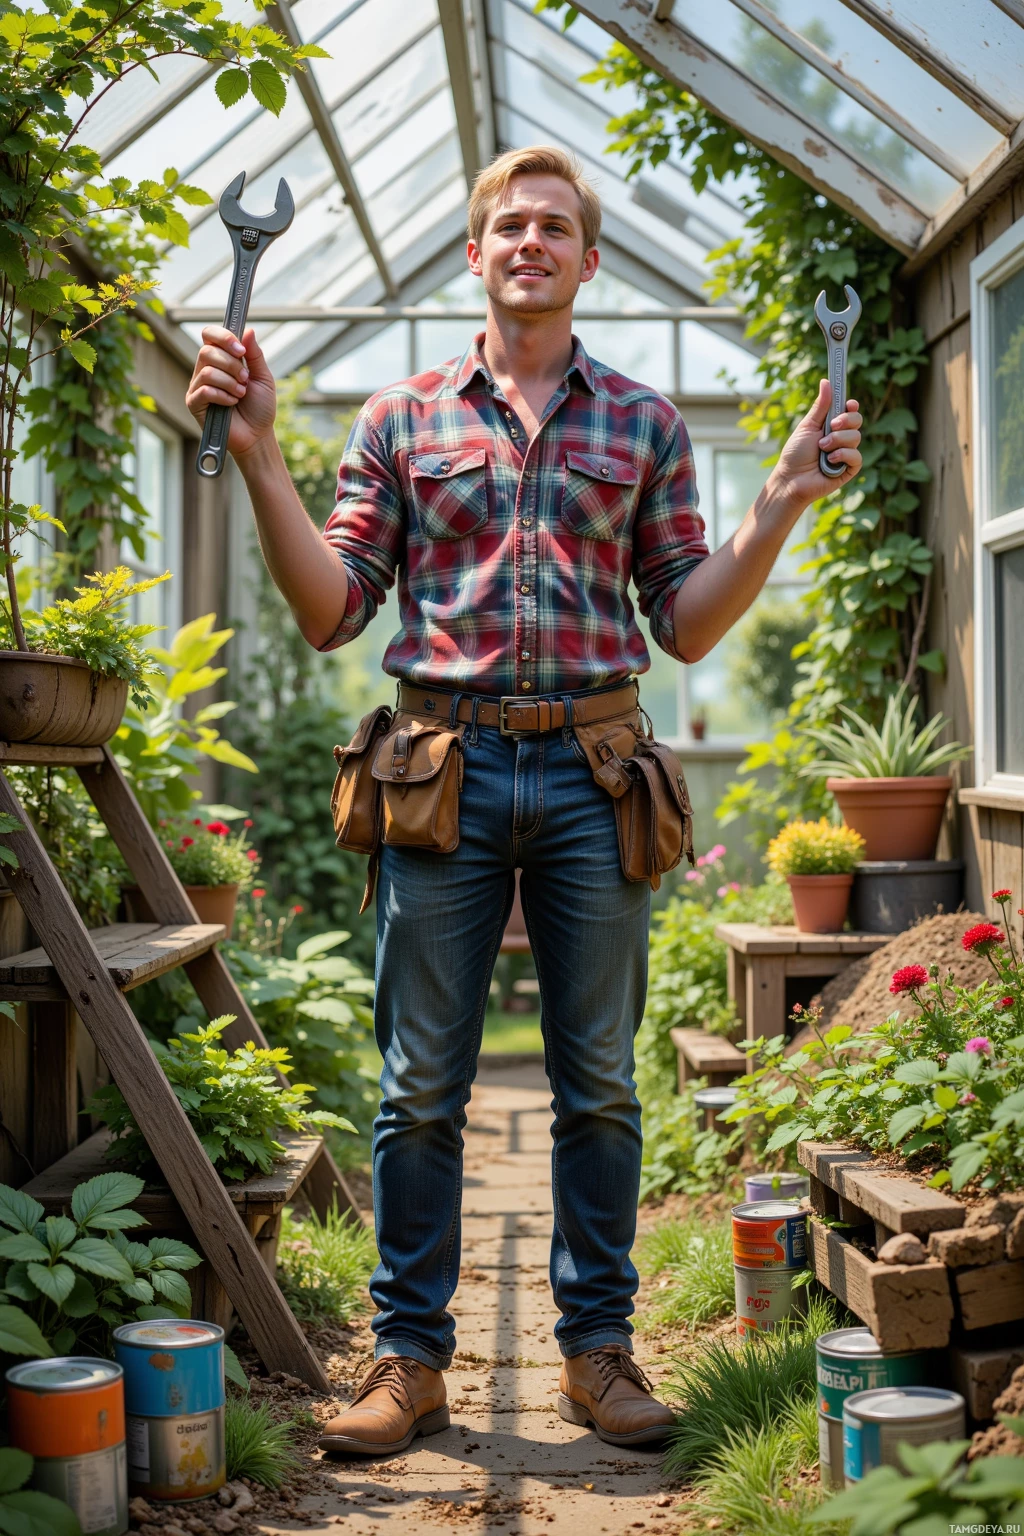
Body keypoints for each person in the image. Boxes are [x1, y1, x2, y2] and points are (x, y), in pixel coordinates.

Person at [186, 145, 862, 1456]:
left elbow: (688, 625)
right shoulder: (398, 422)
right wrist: (264, 454)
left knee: (599, 1084)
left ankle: (597, 1355)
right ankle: (409, 1361)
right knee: (417, 1085)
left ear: (590, 261)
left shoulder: (648, 424)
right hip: (438, 769)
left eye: (557, 226)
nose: (532, 241)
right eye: (510, 224)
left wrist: (777, 501)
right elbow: (330, 613)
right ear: (476, 256)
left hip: (596, 771)